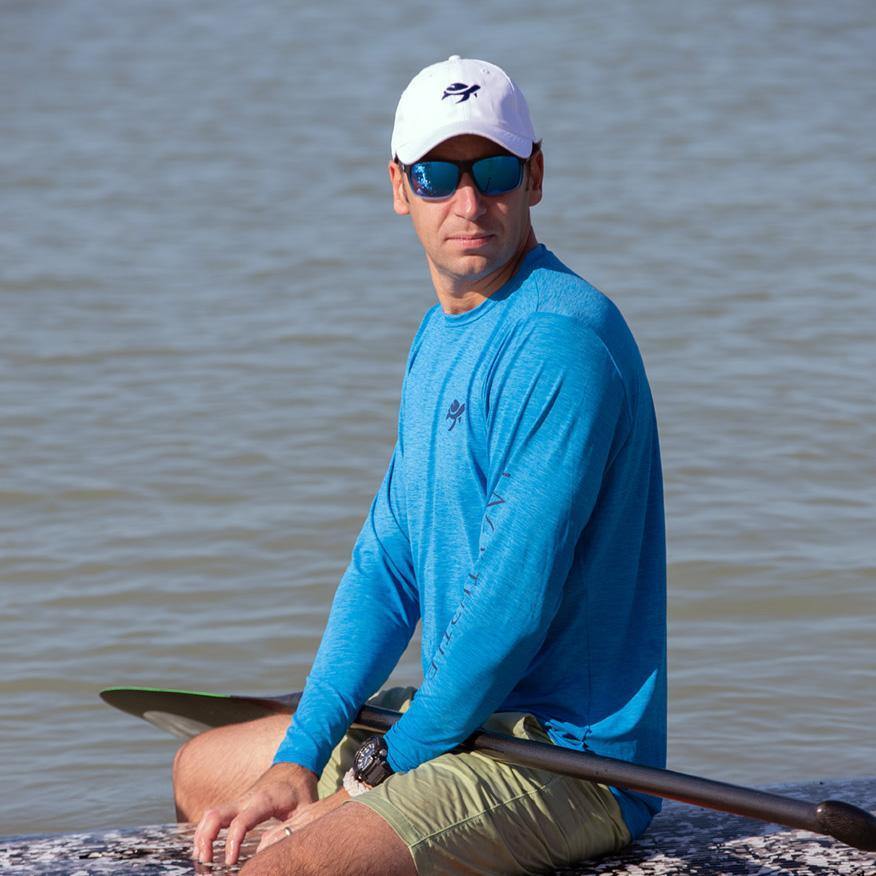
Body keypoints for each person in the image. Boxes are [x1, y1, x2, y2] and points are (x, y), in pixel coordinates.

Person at [174, 55, 667, 876]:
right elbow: (388, 566)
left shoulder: (560, 343)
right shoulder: (439, 336)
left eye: (496, 171)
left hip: (563, 760)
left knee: (282, 868)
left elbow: (508, 611)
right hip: (461, 724)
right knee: (203, 771)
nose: (469, 203)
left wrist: (373, 776)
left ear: (535, 175)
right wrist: (301, 757)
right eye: (440, 175)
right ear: (400, 186)